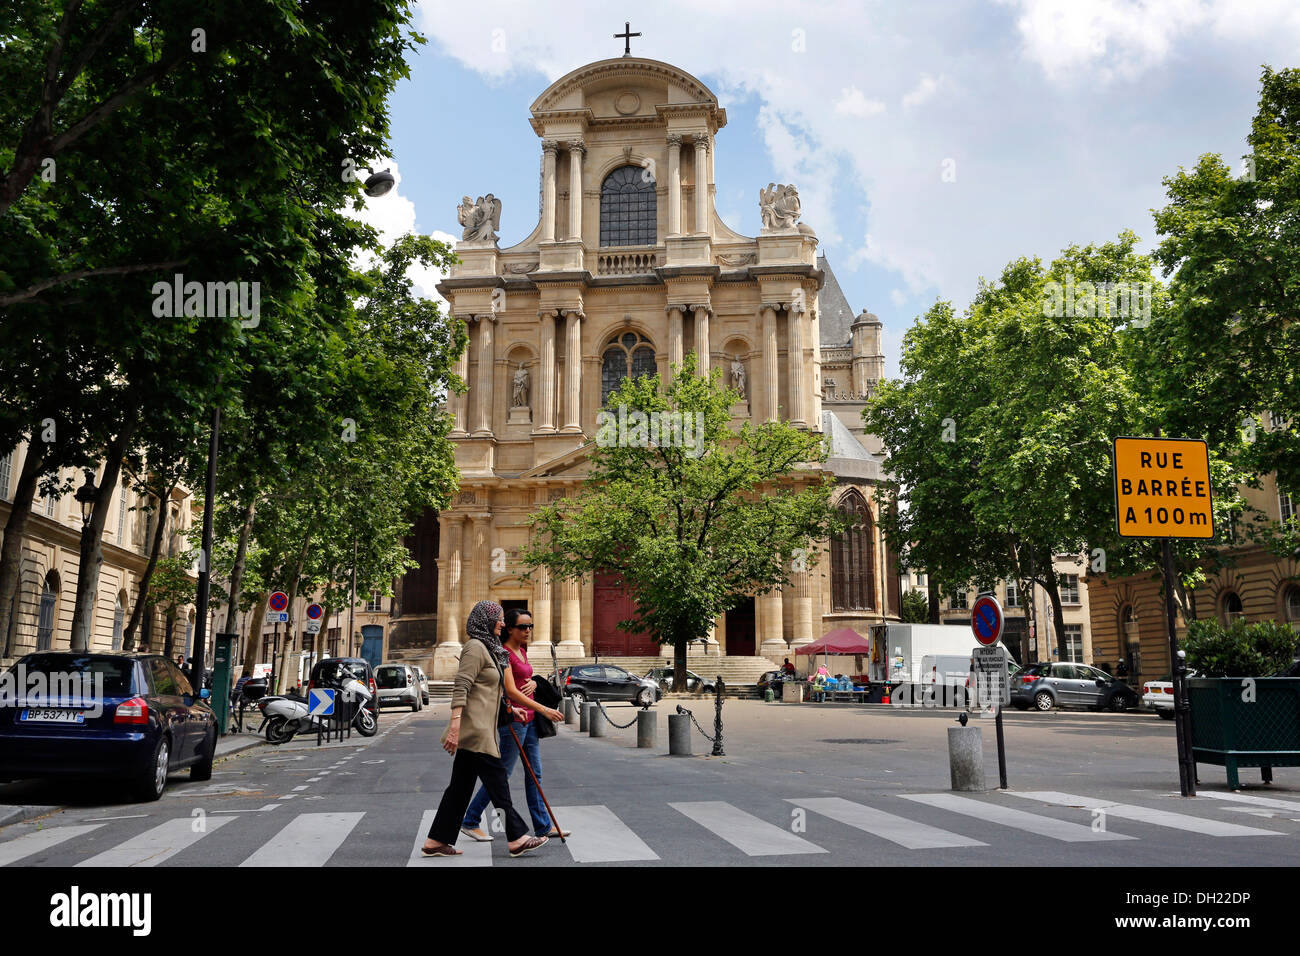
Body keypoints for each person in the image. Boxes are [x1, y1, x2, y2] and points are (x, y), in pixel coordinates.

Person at [421, 601, 553, 859]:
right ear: (486, 620)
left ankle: (436, 840)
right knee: (498, 785)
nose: (503, 624)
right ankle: (517, 837)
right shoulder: (474, 647)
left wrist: (508, 710)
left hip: (480, 730)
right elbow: (462, 685)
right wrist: (455, 726)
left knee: (459, 790)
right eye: (499, 619)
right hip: (475, 732)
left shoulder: (489, 649)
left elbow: (488, 691)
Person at [459, 608, 568, 842]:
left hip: (529, 720)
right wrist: (544, 709)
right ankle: (470, 819)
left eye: (530, 626)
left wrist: (536, 684)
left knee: (535, 773)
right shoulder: (503, 653)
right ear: (510, 628)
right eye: (523, 627)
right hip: (514, 720)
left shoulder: (522, 651)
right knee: (503, 774)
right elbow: (509, 689)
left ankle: (542, 825)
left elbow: (525, 679)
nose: (528, 631)